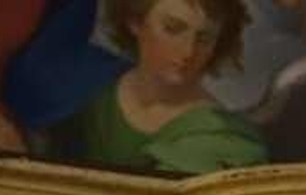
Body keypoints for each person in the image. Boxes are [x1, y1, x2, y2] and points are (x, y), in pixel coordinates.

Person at [49, 0, 268, 175]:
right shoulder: (88, 89)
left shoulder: (225, 137)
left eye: (204, 38)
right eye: (173, 29)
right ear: (136, 21)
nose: (188, 51)